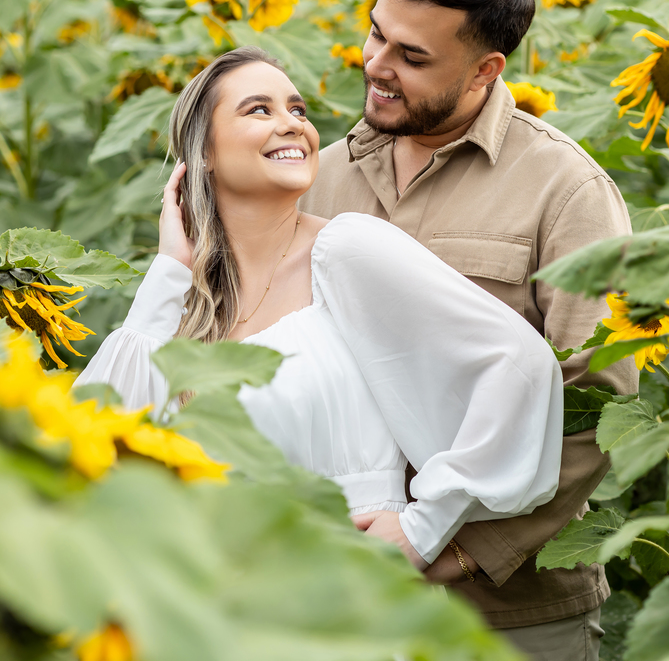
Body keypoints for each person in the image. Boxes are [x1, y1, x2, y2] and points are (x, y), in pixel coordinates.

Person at [75, 45, 565, 578]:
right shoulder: (184, 304)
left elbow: (519, 366)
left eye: (298, 109)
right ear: (205, 152)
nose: (292, 124)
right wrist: (171, 268)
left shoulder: (347, 251)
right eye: (259, 109)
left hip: (348, 587)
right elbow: (93, 444)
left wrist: (424, 527)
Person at [298, 0, 638, 660]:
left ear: (486, 69)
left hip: (509, 615)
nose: (376, 65)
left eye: (413, 57)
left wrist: (451, 549)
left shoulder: (565, 192)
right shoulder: (317, 181)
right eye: (376, 34)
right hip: (339, 602)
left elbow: (596, 403)